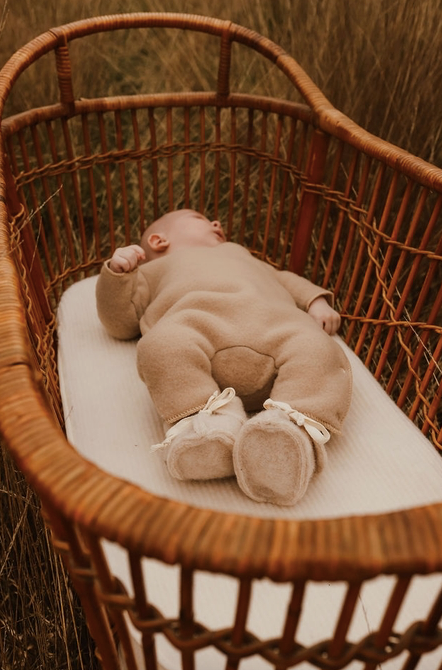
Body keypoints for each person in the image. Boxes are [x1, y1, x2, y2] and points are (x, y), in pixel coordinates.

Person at [96, 209, 352, 505]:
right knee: (162, 345)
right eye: (200, 219)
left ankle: (288, 430)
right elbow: (120, 322)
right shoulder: (152, 271)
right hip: (198, 326)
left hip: (277, 327)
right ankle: (208, 423)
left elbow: (286, 280)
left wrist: (315, 301)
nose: (217, 223)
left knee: (319, 349)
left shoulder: (240, 254)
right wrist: (118, 274)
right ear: (159, 240)